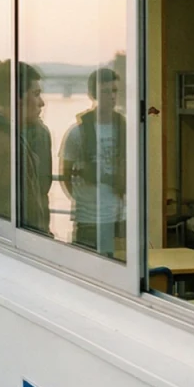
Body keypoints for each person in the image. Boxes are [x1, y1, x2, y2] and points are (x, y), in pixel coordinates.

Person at [0, 61, 51, 233]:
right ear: (17, 99)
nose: (41, 103)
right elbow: (12, 217)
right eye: (36, 94)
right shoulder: (4, 146)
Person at [60, 67, 127, 254]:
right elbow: (65, 174)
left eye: (114, 91)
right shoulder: (77, 133)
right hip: (89, 219)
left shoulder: (126, 129)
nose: (112, 96)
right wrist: (83, 200)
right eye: (106, 92)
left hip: (120, 216)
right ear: (93, 94)